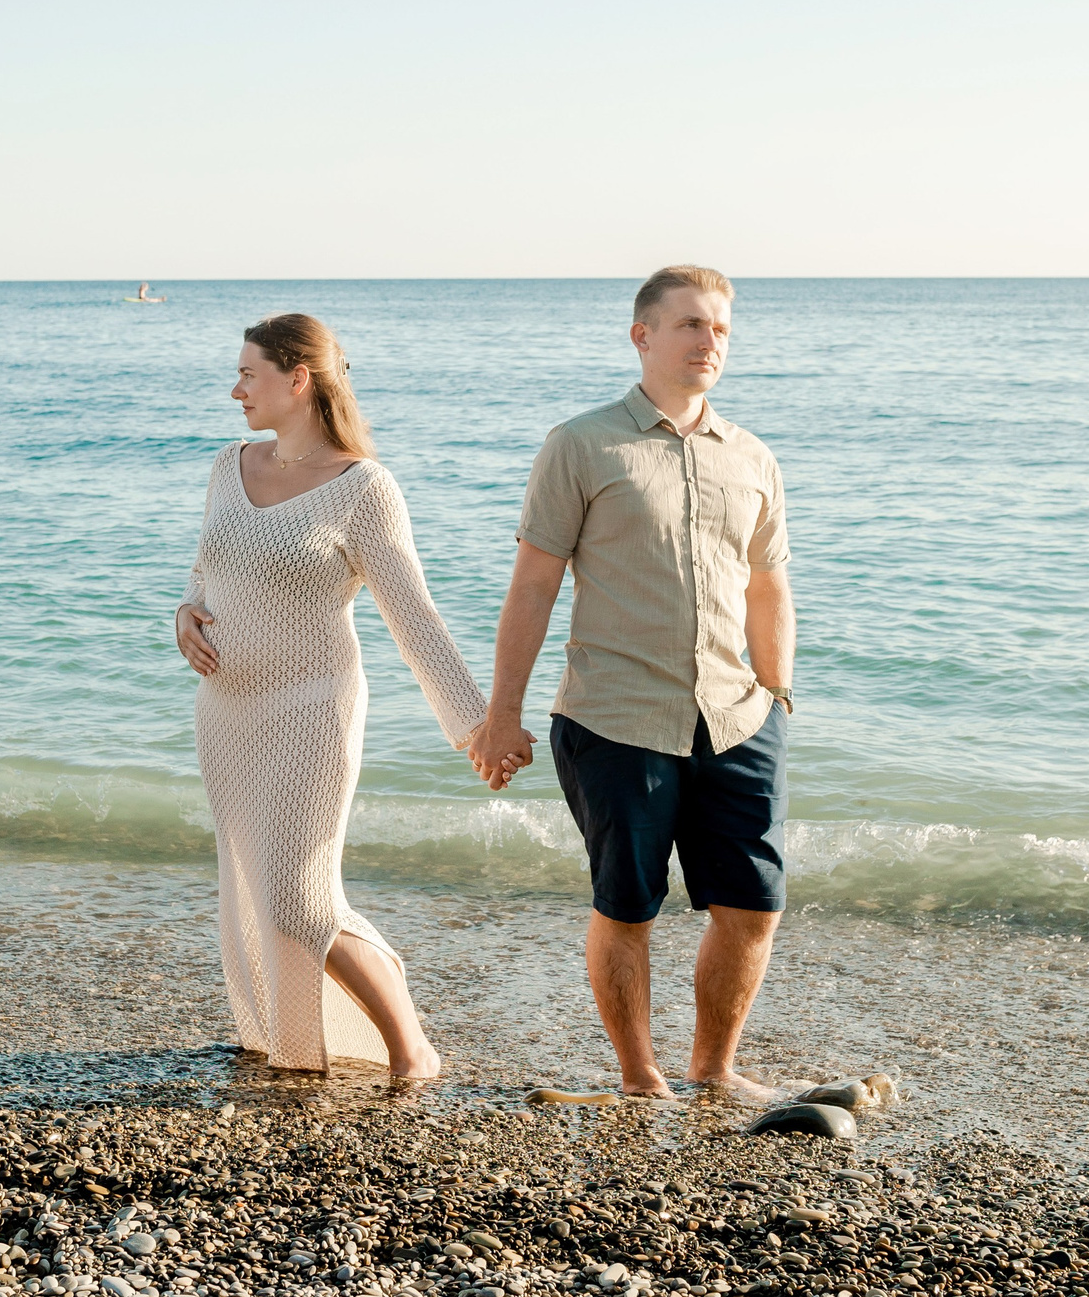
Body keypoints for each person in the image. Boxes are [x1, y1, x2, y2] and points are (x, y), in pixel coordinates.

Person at [469, 265, 795, 1100]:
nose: (707, 341)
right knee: (628, 908)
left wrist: (777, 687)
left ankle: (715, 1069)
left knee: (753, 906)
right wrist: (500, 714)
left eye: (719, 328)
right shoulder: (581, 444)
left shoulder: (753, 456)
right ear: (642, 336)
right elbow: (534, 583)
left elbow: (766, 581)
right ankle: (640, 1076)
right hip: (615, 718)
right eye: (689, 324)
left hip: (736, 718)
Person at [172, 313, 501, 1079]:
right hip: (226, 716)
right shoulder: (230, 465)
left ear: (298, 379)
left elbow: (412, 616)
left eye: (248, 374)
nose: (235, 389)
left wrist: (477, 725)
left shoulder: (363, 488)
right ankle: (292, 1050)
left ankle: (409, 1046)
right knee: (253, 889)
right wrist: (182, 613)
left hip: (311, 714)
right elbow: (206, 568)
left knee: (298, 899)